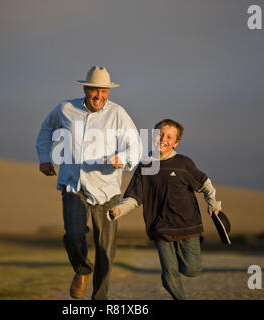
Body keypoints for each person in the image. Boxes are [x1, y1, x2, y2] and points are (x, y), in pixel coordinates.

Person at [36, 66, 141, 300]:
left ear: (108, 92)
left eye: (104, 91)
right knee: (73, 235)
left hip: (107, 191)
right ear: (85, 89)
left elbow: (134, 145)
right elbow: (46, 130)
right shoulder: (65, 109)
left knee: (106, 250)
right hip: (74, 186)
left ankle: (99, 299)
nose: (99, 96)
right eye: (95, 90)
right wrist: (45, 158)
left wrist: (121, 159)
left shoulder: (118, 114)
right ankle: (82, 269)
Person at [108, 119, 222, 300]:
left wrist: (213, 203)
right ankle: (173, 284)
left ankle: (175, 268)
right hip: (160, 226)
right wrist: (118, 211)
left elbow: (204, 184)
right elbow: (134, 197)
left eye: (169, 137)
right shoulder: (145, 166)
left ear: (176, 143)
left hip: (188, 226)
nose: (163, 139)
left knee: (192, 270)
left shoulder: (184, 163)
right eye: (160, 134)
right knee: (170, 274)